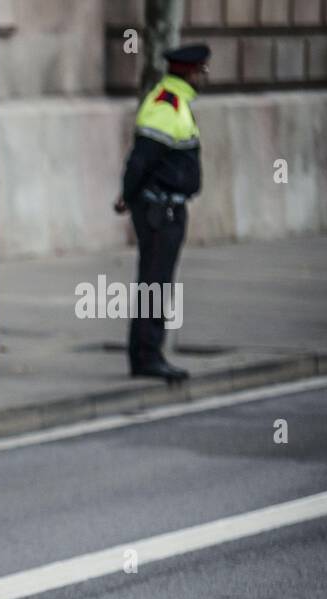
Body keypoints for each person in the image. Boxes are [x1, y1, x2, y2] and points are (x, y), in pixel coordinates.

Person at [115, 43, 211, 383]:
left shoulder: (175, 102)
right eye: (202, 71)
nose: (205, 77)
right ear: (189, 72)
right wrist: (127, 195)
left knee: (156, 282)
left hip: (166, 207)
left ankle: (148, 353)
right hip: (161, 209)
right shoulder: (165, 105)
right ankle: (147, 356)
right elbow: (142, 158)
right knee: (155, 283)